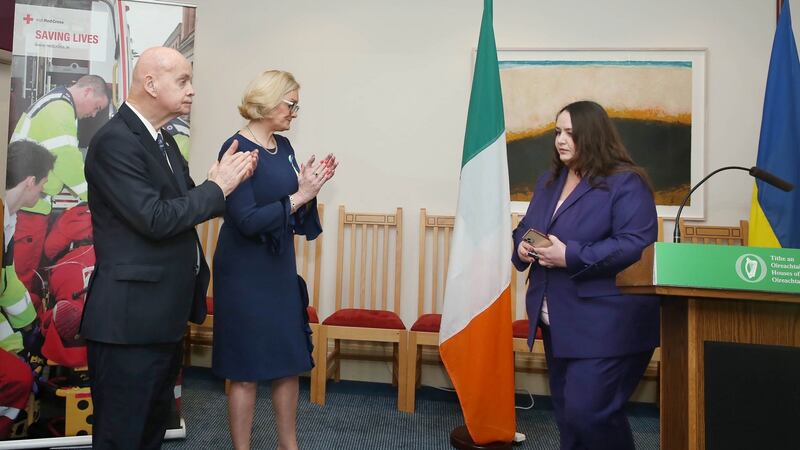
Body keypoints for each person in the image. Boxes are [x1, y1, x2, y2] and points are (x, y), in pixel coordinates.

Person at [80, 47, 258, 450]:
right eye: (183, 81)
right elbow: (156, 219)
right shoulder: (115, 142)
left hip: (161, 314)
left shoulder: (161, 141)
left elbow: (183, 205)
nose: (192, 91)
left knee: (149, 432)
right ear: (150, 83)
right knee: (123, 436)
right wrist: (217, 188)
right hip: (129, 322)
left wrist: (216, 182)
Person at [511, 100, 659, 450]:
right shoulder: (549, 181)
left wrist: (569, 255)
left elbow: (634, 244)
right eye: (558, 131)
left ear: (592, 136)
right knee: (569, 415)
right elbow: (526, 228)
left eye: (570, 134)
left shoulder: (626, 182)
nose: (561, 140)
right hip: (558, 320)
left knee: (589, 414)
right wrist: (521, 247)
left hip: (607, 322)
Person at [212, 70, 337, 450]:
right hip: (244, 271)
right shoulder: (234, 149)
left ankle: (289, 445)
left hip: (279, 266)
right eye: (291, 103)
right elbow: (247, 220)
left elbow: (292, 214)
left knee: (288, 360)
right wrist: (298, 197)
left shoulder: (283, 147)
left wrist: (309, 188)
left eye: (297, 105)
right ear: (267, 101)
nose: (295, 111)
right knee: (246, 368)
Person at [9, 75, 109, 294]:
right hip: (29, 208)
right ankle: (23, 327)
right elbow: (68, 163)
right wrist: (98, 198)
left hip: (26, 204)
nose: (93, 114)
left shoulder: (56, 102)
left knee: (22, 274)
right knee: (22, 277)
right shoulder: (59, 109)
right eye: (96, 107)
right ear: (88, 91)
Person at [0, 140, 55, 438]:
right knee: (17, 379)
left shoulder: (8, 217)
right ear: (30, 181)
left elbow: (6, 283)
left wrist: (26, 330)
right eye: (43, 186)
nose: (43, 193)